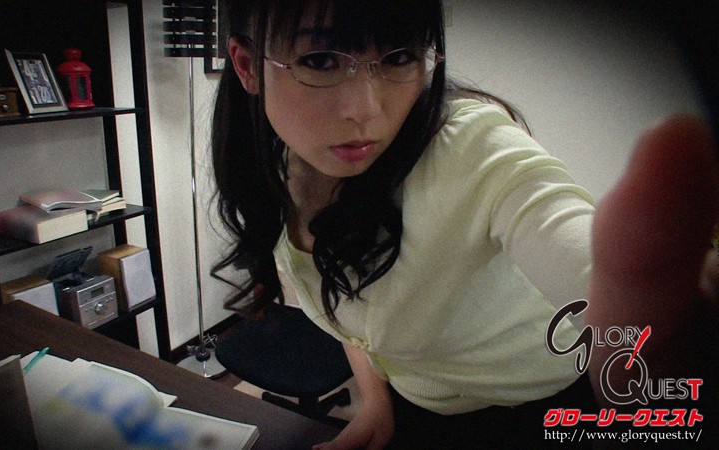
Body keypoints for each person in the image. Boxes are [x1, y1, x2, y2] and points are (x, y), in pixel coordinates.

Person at [209, 1, 717, 448]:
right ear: (248, 66)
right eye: (320, 60)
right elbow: (348, 296)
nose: (365, 110)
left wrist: (673, 319)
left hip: (548, 413)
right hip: (418, 409)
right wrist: (376, 401)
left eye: (399, 57)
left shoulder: (469, 148)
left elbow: (563, 234)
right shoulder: (280, 171)